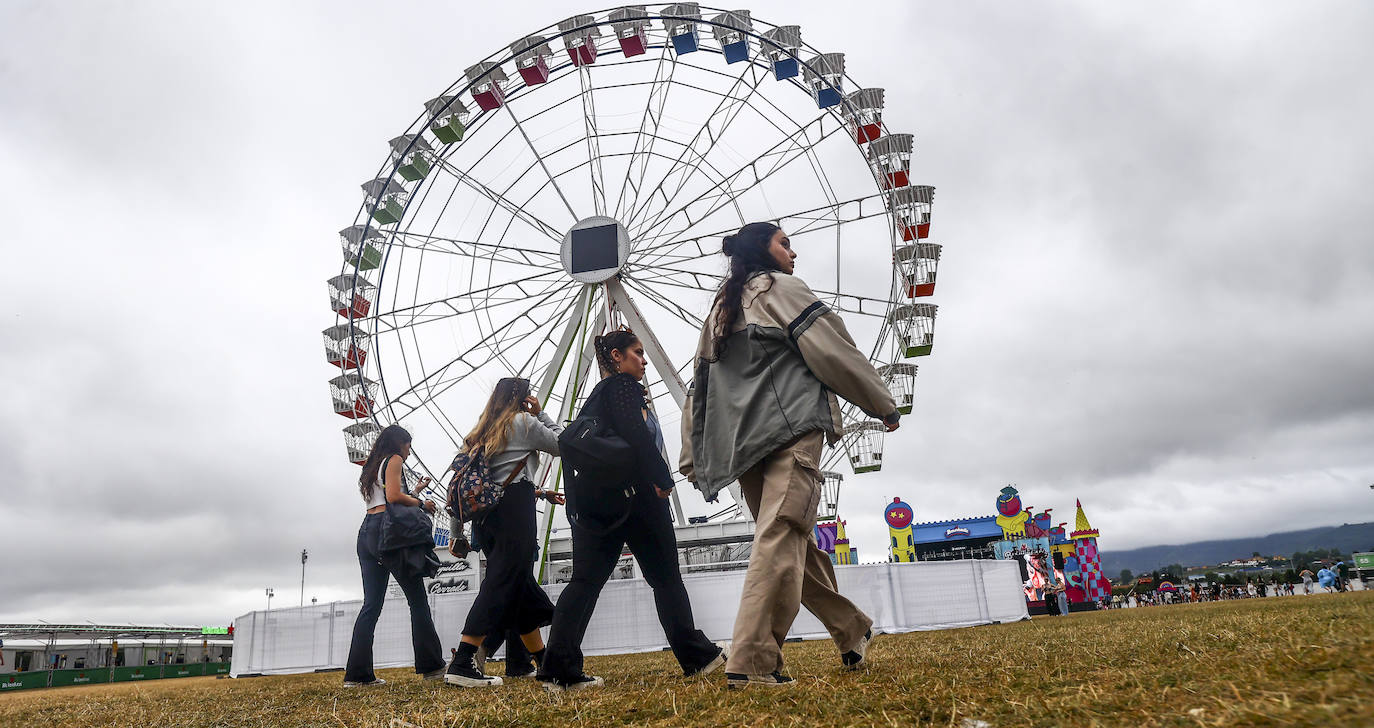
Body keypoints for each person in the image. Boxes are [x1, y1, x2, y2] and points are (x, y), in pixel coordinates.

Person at [680, 222, 900, 689]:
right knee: (781, 535)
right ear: (764, 250)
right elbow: (832, 350)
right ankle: (754, 660)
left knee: (786, 537)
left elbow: (699, 388)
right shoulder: (781, 289)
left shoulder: (720, 309)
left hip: (743, 444)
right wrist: (881, 402)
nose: (793, 252)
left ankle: (850, 628)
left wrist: (692, 455)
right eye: (784, 243)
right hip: (791, 430)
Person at [537, 329, 726, 693]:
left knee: (584, 582)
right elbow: (637, 436)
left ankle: (559, 670)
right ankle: (697, 657)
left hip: (598, 504)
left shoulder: (596, 398)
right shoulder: (623, 388)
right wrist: (662, 478)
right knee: (666, 579)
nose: (643, 360)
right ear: (617, 357)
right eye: (637, 353)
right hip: (638, 499)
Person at [444, 378, 565, 688]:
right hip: (514, 509)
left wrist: (457, 534)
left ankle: (545, 661)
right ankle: (464, 660)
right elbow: (563, 444)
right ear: (522, 399)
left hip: (485, 520)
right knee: (500, 583)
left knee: (518, 585)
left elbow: (458, 488)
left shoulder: (479, 433)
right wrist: (540, 413)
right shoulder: (522, 422)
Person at [343, 424, 446, 687]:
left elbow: (384, 498)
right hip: (387, 534)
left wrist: (416, 492)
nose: (409, 452)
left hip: (366, 532)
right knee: (417, 600)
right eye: (409, 446)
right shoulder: (395, 459)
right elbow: (393, 496)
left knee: (371, 605)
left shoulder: (372, 466)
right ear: (400, 443)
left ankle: (357, 675)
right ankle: (432, 665)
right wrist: (422, 503)